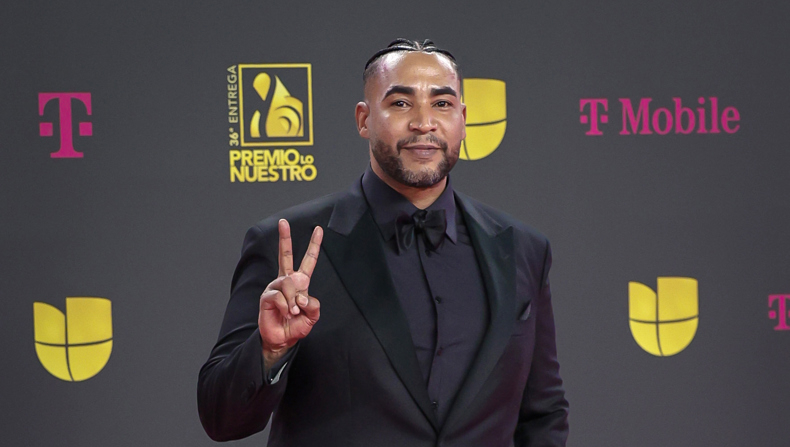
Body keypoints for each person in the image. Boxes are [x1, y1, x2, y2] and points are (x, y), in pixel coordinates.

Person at [198, 38, 569, 446]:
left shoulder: (523, 249)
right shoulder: (288, 244)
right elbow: (221, 418)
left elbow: (543, 413)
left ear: (463, 119)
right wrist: (270, 350)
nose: (424, 122)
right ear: (364, 119)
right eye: (401, 104)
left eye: (442, 104)